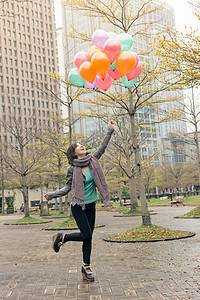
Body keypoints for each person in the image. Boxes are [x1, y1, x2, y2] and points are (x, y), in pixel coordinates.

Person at [44, 119, 114, 282]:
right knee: (86, 234)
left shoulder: (92, 160)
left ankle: (86, 268)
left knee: (88, 237)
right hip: (78, 206)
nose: (82, 146)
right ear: (74, 153)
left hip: (91, 205)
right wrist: (52, 195)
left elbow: (102, 147)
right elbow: (68, 188)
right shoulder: (72, 169)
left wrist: (109, 130)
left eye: (82, 145)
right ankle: (62, 237)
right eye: (78, 145)